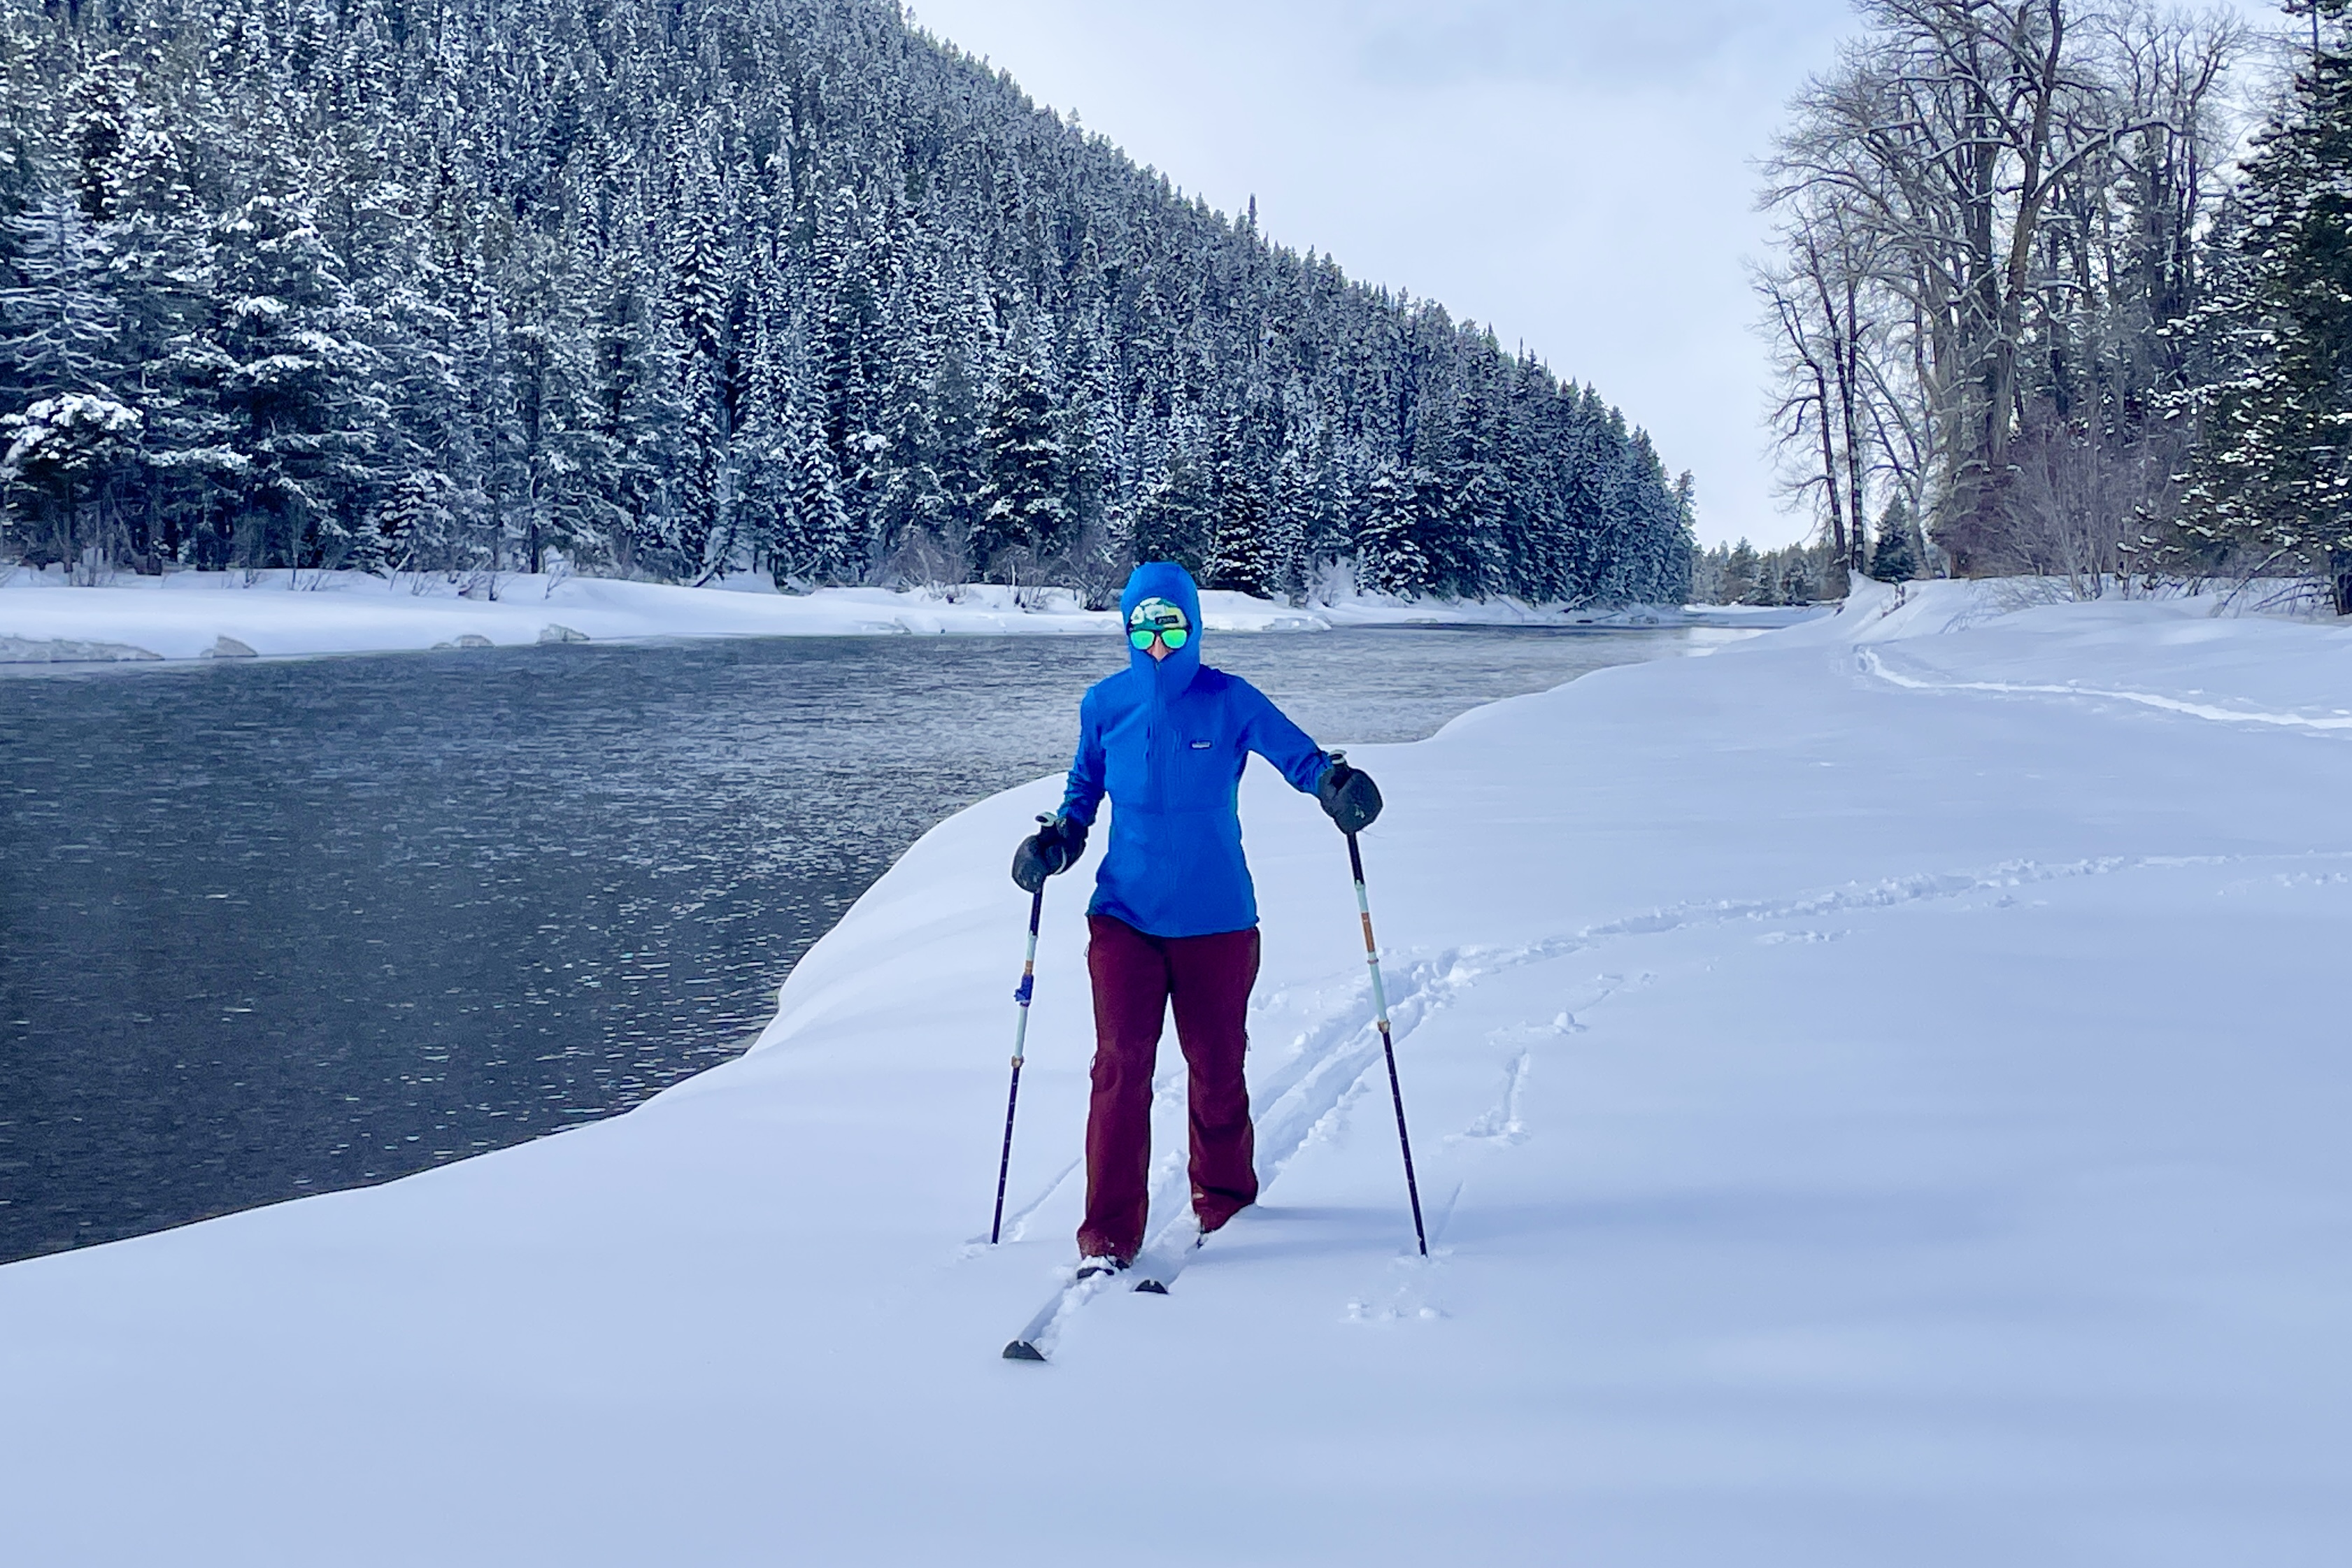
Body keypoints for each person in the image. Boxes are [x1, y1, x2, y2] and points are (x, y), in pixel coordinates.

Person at [1011, 560, 1383, 1278]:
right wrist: (1059, 838)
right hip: (1124, 917)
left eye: (1170, 623)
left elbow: (1299, 758)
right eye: (1142, 624)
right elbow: (1084, 791)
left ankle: (1227, 1207)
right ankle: (1109, 1236)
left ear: (1193, 627)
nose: (1156, 639)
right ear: (1125, 628)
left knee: (1215, 1067)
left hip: (1217, 921)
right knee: (1120, 1069)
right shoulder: (1104, 705)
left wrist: (1335, 785)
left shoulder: (1230, 701)